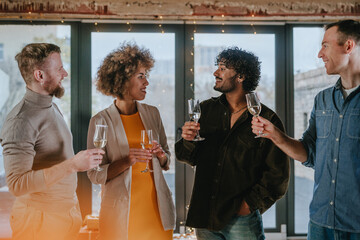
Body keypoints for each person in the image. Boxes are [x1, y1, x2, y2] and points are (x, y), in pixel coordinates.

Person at [251, 19, 360, 239]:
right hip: (320, 223)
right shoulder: (323, 100)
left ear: (348, 46)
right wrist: (276, 135)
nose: (320, 54)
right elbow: (310, 153)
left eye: (325, 45)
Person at [175, 47, 290, 240]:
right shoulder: (205, 110)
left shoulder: (267, 119)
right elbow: (186, 157)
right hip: (204, 216)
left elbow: (278, 175)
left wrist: (248, 205)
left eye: (222, 68)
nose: (215, 73)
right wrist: (187, 140)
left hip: (241, 220)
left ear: (241, 76)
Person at [0, 43, 104, 240]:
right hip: (39, 222)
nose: (64, 73)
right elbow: (16, 184)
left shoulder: (52, 107)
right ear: (40, 76)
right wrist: (73, 165)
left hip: (65, 216)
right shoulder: (21, 120)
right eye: (59, 68)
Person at [87, 42, 175, 240]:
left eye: (146, 75)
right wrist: (127, 161)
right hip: (121, 215)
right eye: (141, 76)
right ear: (122, 79)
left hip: (156, 210)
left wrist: (161, 156)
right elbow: (94, 173)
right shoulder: (100, 121)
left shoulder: (153, 113)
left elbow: (166, 159)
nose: (147, 82)